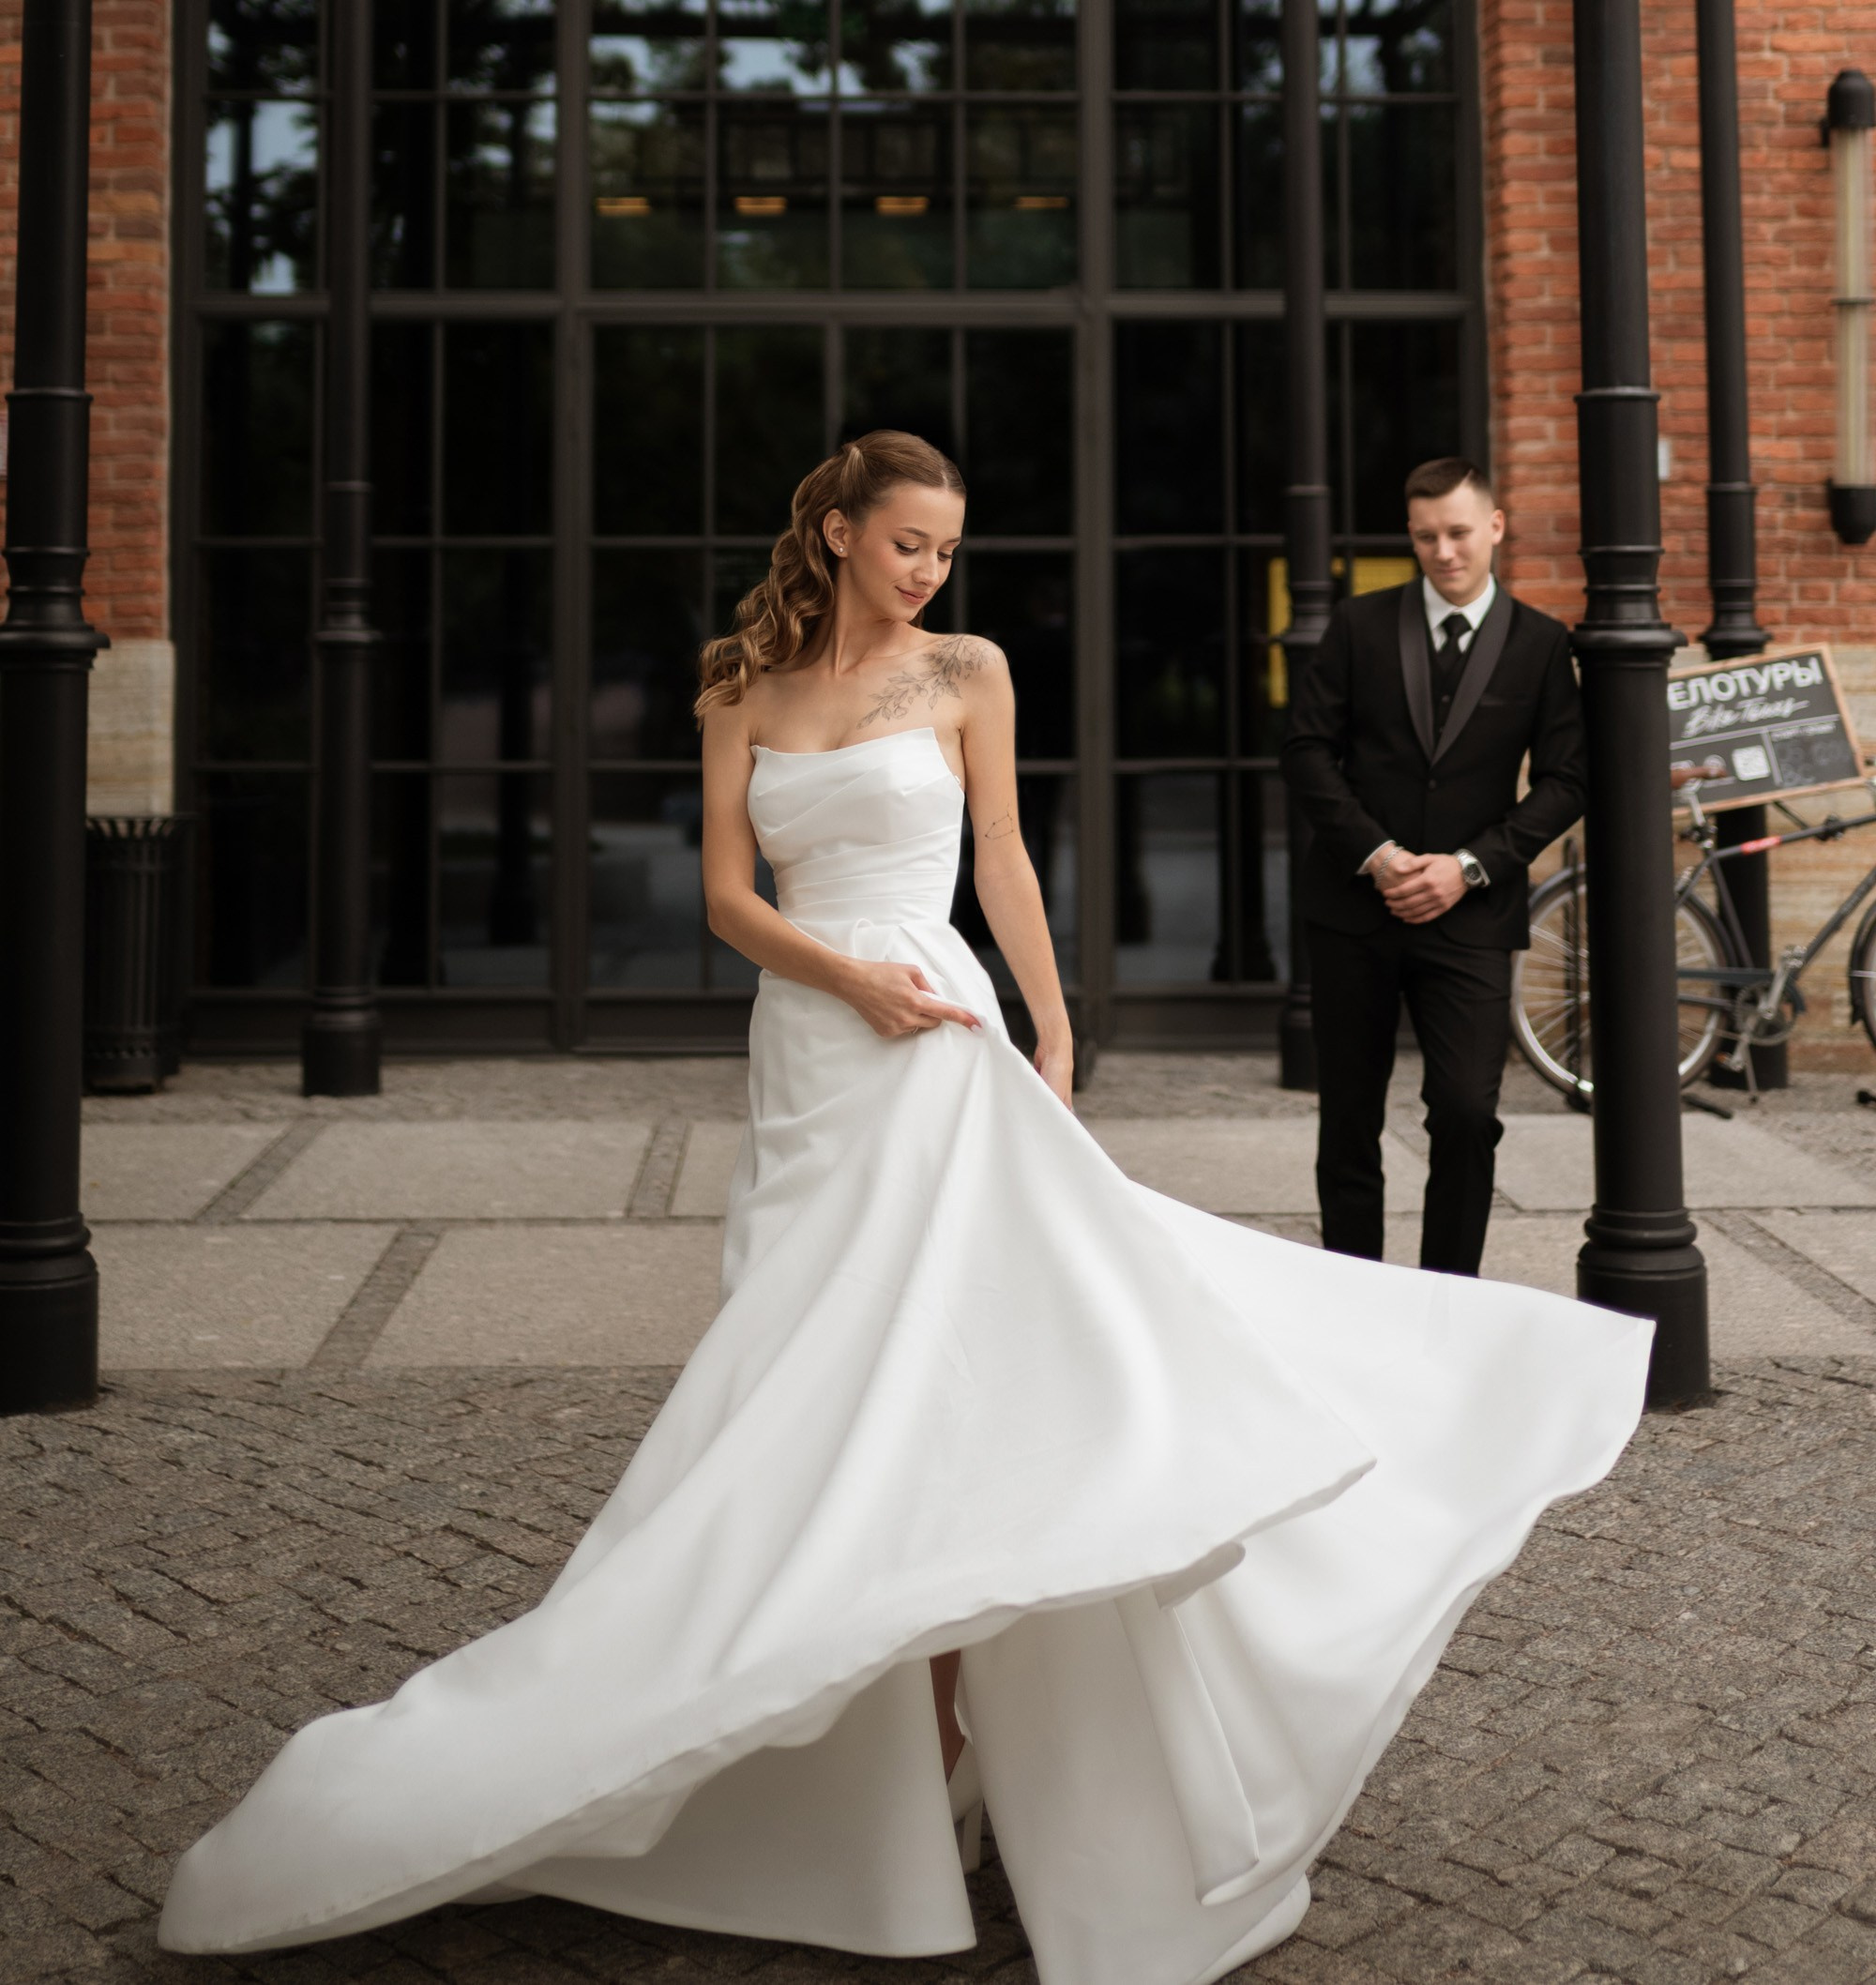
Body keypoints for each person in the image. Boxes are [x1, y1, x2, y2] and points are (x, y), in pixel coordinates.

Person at [162, 430, 1645, 1984]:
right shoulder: (738, 683)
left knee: (960, 1387)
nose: (930, 570)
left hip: (941, 1035)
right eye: (907, 542)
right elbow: (731, 898)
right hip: (813, 1048)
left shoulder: (968, 672)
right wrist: (842, 975)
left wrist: (1053, 1030)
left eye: (947, 547)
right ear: (840, 532)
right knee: (808, 1396)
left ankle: (948, 1753)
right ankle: (852, 1745)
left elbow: (1000, 857)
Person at [1282, 457, 1588, 1279]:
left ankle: (1450, 1297)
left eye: (1458, 532)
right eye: (1426, 537)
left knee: (1465, 1112)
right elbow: (1306, 751)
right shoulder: (1359, 624)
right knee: (1349, 1118)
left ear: (1495, 526)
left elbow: (1567, 780)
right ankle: (1356, 1291)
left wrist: (1470, 867)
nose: (1443, 551)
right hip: (1353, 911)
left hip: (1472, 916)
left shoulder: (1541, 643)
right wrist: (1378, 856)